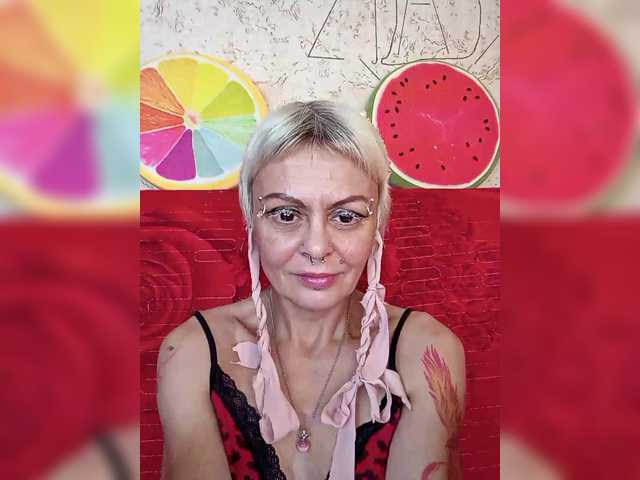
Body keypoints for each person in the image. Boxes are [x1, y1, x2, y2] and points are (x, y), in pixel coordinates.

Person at [157, 100, 466, 480]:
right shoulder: (192, 351)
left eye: (346, 216)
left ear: (378, 227)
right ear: (251, 221)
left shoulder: (426, 351)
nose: (317, 248)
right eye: (286, 215)